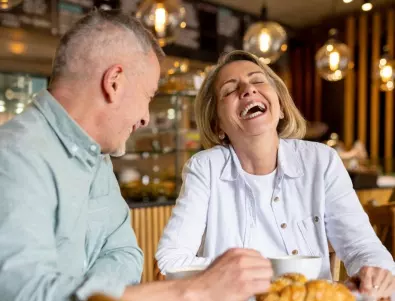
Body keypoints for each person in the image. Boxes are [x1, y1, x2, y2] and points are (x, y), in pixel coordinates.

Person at [0, 10, 273, 301]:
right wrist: (194, 290)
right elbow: (24, 292)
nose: (145, 118)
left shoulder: (97, 158)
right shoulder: (13, 154)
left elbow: (126, 254)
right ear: (114, 82)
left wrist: (86, 293)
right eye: (148, 96)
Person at [156, 50, 395, 299]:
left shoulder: (321, 160)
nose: (248, 90)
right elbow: (170, 260)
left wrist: (375, 272)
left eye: (257, 80)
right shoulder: (205, 168)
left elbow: (362, 246)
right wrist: (228, 275)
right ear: (218, 126)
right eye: (229, 90)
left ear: (280, 106)